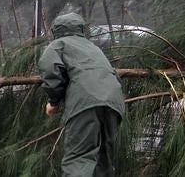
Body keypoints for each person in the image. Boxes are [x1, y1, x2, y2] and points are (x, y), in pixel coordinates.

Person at [38, 13, 125, 177]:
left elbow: (50, 70)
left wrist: (54, 102)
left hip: (85, 101)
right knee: (104, 159)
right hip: (114, 101)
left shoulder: (58, 44)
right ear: (80, 29)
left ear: (56, 30)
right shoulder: (92, 47)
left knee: (79, 159)